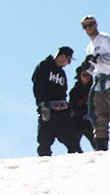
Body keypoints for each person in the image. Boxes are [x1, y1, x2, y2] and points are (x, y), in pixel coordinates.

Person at [31, 46, 82, 156]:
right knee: (44, 142)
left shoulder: (62, 74)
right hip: (47, 111)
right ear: (62, 56)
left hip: (61, 114)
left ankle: (79, 165)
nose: (68, 63)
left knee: (72, 142)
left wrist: (66, 108)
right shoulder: (44, 66)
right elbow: (38, 86)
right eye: (68, 59)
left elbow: (64, 92)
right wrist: (42, 104)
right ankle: (45, 167)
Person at [81, 15, 110, 150]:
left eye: (90, 25)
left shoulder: (105, 39)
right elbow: (95, 69)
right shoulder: (89, 47)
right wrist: (88, 68)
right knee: (100, 117)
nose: (88, 28)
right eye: (85, 26)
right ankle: (101, 146)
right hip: (99, 85)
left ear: (96, 24)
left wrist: (99, 59)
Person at [69, 62, 95, 150]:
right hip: (77, 122)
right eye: (84, 74)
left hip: (91, 122)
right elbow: (74, 108)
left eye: (89, 74)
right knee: (73, 147)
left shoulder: (95, 89)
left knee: (99, 144)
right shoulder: (74, 92)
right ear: (79, 76)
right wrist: (86, 109)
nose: (87, 76)